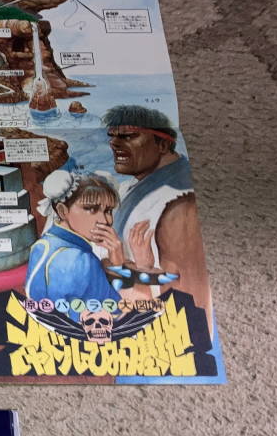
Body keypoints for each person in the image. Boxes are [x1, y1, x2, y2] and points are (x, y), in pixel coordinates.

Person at [102, 105, 211, 311]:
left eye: (128, 136)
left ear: (162, 144)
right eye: (112, 136)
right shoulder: (135, 186)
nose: (113, 143)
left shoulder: (179, 203)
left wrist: (139, 267)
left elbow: (189, 298)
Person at [25, 170, 154, 317]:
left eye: (108, 211)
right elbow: (116, 314)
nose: (105, 221)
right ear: (62, 211)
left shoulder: (42, 245)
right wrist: (140, 267)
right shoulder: (82, 260)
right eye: (92, 209)